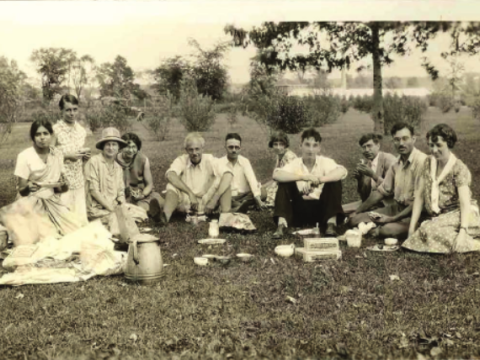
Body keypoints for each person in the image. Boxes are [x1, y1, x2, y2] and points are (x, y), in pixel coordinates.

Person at [403, 124, 480, 253]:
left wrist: (462, 231)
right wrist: (411, 228)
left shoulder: (459, 168)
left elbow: (464, 203)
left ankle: (472, 243)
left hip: (461, 214)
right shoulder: (428, 163)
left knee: (428, 229)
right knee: (424, 229)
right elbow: (420, 197)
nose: (434, 150)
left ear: (448, 144)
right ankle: (466, 238)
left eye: (438, 145)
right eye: (431, 145)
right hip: (441, 217)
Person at [0, 119, 81, 239]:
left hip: (53, 202)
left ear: (51, 135)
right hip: (31, 202)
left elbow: (61, 189)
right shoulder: (25, 156)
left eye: (45, 133)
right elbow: (22, 190)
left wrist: (62, 185)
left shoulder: (57, 154)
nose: (42, 138)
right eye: (38, 134)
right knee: (43, 238)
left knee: (75, 232)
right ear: (33, 137)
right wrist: (28, 187)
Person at [349, 122, 427, 240]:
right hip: (396, 208)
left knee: (387, 230)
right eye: (397, 140)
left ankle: (382, 228)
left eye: (405, 139)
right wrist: (357, 211)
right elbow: (381, 191)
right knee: (354, 220)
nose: (401, 143)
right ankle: (375, 227)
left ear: (414, 139)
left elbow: (419, 202)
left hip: (417, 213)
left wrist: (392, 219)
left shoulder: (422, 162)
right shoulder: (396, 164)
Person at [272, 128, 347, 239]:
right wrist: (303, 177)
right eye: (307, 145)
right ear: (300, 146)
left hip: (322, 211)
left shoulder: (325, 162)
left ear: (319, 148)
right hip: (299, 211)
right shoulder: (295, 163)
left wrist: (320, 180)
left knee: (334, 182)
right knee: (284, 182)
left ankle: (331, 225)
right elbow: (276, 175)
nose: (310, 150)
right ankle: (281, 225)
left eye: (315, 145)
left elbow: (342, 171)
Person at [159, 133, 233, 225]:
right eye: (191, 150)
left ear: (202, 148)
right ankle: (164, 217)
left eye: (197, 149)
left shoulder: (210, 159)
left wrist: (214, 201)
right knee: (171, 186)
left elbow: (228, 175)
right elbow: (170, 175)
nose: (194, 153)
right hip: (187, 201)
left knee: (225, 183)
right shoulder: (181, 160)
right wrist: (190, 193)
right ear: (186, 150)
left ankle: (226, 218)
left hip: (207, 200)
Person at [52, 94, 90, 227]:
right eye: (68, 110)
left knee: (79, 220)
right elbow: (48, 156)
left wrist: (84, 156)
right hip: (61, 178)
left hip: (77, 176)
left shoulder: (81, 131)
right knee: (63, 219)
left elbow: (79, 152)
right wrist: (68, 156)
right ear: (61, 111)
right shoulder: (54, 130)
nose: (72, 113)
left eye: (75, 109)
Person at [342, 133, 396, 214]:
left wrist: (373, 175)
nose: (366, 150)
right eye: (364, 147)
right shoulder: (369, 164)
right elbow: (365, 197)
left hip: (388, 204)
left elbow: (392, 190)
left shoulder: (389, 160)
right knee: (339, 210)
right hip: (371, 202)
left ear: (378, 145)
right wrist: (360, 180)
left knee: (355, 217)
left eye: (369, 146)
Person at [84, 128, 127, 229]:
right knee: (117, 219)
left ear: (118, 148)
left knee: (138, 212)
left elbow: (120, 191)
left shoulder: (118, 167)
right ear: (103, 146)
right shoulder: (94, 162)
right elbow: (93, 191)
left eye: (114, 144)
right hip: (97, 208)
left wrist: (123, 205)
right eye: (108, 144)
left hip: (113, 206)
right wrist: (112, 209)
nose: (111, 148)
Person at [116, 132, 164, 220]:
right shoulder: (114, 160)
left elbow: (149, 184)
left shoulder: (143, 159)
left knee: (156, 201)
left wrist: (142, 195)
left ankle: (149, 211)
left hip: (139, 193)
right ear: (121, 147)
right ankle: (147, 213)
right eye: (127, 146)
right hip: (121, 194)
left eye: (134, 147)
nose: (131, 150)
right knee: (125, 207)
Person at [216, 133, 267, 213]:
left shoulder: (245, 161)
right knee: (220, 198)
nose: (234, 150)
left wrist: (257, 199)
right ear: (225, 147)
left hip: (244, 195)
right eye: (231, 147)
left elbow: (252, 180)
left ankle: (239, 205)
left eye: (236, 147)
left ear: (240, 148)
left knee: (263, 192)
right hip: (229, 196)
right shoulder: (219, 162)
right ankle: (241, 206)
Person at [262, 131, 297, 207]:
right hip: (281, 182)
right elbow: (275, 178)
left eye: (281, 144)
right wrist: (263, 186)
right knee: (260, 189)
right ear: (272, 145)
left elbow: (290, 178)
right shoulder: (279, 156)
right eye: (275, 144)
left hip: (292, 184)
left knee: (266, 193)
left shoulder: (289, 157)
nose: (278, 147)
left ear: (285, 145)